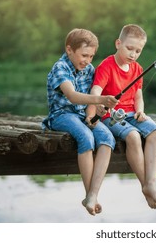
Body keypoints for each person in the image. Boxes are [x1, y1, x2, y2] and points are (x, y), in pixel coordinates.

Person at [86, 24, 156, 209]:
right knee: (133, 136)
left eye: (138, 50)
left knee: (154, 132)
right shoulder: (106, 66)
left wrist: (141, 111)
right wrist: (99, 103)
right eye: (129, 48)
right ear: (118, 43)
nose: (133, 54)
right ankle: (143, 184)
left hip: (132, 113)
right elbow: (96, 89)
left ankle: (151, 182)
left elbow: (138, 95)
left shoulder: (137, 69)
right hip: (111, 115)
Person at [42, 28, 118, 216]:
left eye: (91, 56)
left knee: (108, 138)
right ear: (69, 50)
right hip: (61, 115)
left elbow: (91, 99)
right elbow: (73, 96)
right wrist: (100, 100)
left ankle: (93, 194)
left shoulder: (88, 69)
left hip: (82, 115)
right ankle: (88, 193)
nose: (87, 60)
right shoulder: (61, 67)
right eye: (84, 55)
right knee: (86, 137)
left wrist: (97, 110)